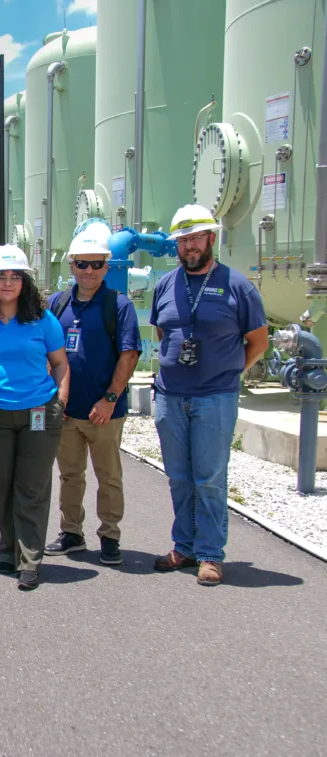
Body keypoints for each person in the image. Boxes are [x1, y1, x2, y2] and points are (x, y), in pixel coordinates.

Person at [150, 204, 268, 586]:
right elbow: (161, 333)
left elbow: (258, 342)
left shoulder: (238, 286)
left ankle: (211, 554)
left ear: (211, 239)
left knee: (210, 478)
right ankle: (183, 546)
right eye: (183, 241)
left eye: (195, 238)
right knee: (179, 476)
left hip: (215, 396)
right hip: (170, 395)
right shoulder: (166, 285)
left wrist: (229, 371)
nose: (189, 247)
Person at [0, 245, 70, 591]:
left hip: (39, 412)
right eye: (0, 277)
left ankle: (30, 560)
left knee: (32, 488)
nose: (7, 283)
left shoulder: (42, 318)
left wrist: (59, 403)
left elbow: (61, 363)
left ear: (24, 282)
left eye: (14, 277)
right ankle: (8, 551)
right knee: (4, 487)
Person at [44, 224, 140, 567]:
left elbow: (129, 354)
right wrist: (55, 399)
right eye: (82, 263)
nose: (89, 271)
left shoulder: (119, 305)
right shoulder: (57, 304)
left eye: (96, 264)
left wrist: (110, 398)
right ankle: (71, 532)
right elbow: (44, 352)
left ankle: (110, 536)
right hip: (67, 411)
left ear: (107, 266)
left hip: (105, 412)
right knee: (70, 475)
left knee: (108, 476)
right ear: (71, 265)